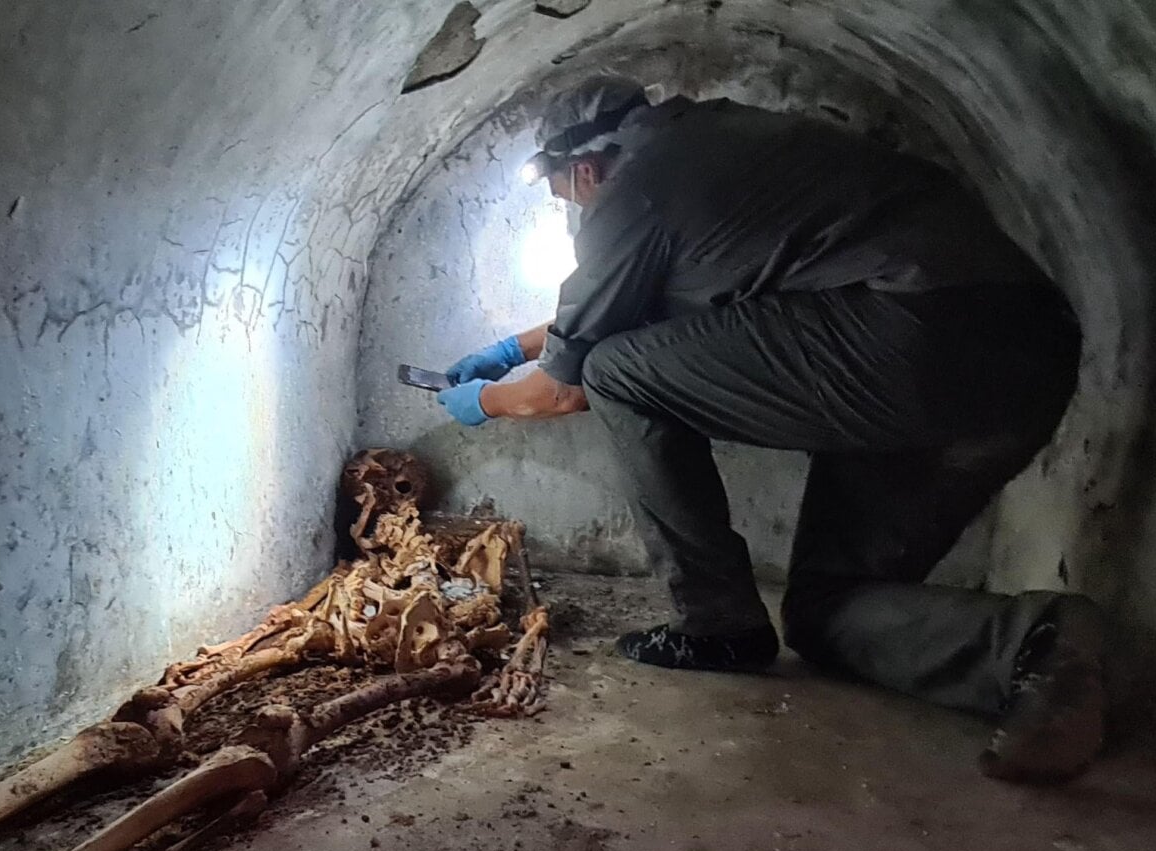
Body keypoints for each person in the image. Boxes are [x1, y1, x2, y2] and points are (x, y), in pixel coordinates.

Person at [437, 76, 1103, 783]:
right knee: (825, 612)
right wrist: (512, 350)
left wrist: (486, 403)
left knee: (616, 373)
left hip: (914, 336)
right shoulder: (715, 144)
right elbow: (622, 300)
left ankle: (715, 622)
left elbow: (572, 382)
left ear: (583, 169)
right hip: (1023, 360)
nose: (573, 209)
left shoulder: (636, 189)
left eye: (565, 196)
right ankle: (1037, 647)